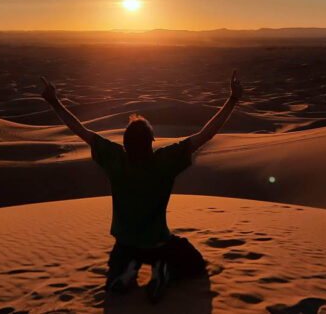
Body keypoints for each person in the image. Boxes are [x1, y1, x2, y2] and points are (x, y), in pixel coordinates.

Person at [40, 71, 243, 303]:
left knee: (122, 263)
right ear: (151, 142)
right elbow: (205, 135)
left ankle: (127, 272)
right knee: (195, 263)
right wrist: (233, 99)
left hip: (125, 245)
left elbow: (80, 131)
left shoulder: (116, 159)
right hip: (158, 244)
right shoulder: (164, 162)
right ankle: (162, 271)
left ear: (125, 143)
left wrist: (54, 101)